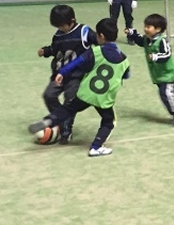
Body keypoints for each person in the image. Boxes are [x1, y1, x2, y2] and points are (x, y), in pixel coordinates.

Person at [28, 18, 130, 156]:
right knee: (108, 121)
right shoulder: (124, 59)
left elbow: (77, 62)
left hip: (86, 92)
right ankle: (96, 147)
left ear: (101, 36)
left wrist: (62, 72)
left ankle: (50, 120)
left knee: (68, 109)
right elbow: (126, 75)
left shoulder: (95, 51)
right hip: (103, 98)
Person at [37, 4, 98, 143]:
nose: (60, 29)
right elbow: (55, 49)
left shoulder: (84, 32)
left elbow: (100, 43)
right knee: (48, 95)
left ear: (72, 21)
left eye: (63, 26)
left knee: (70, 100)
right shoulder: (58, 34)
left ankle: (66, 129)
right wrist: (46, 51)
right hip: (59, 74)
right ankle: (60, 118)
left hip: (76, 76)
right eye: (57, 26)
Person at [126, 14, 174, 125]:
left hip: (167, 74)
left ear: (158, 29)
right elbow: (139, 40)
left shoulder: (162, 41)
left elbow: (167, 54)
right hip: (157, 75)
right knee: (165, 95)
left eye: (148, 27)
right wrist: (132, 34)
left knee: (167, 93)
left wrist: (156, 56)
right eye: (145, 26)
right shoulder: (147, 39)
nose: (145, 29)